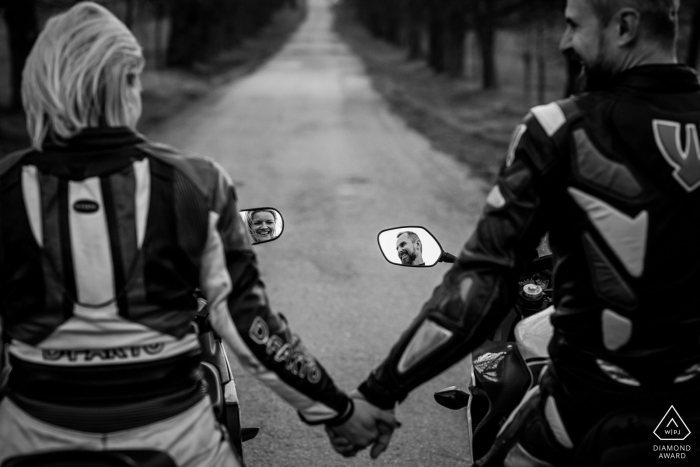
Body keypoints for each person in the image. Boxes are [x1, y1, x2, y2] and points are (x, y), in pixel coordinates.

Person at [0, 3, 397, 465]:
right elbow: (250, 324)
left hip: (32, 440)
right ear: (128, 83)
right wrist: (338, 411)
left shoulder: (4, 187)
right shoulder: (197, 183)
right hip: (173, 442)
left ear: (38, 87)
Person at [332, 0, 700, 464]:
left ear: (624, 26)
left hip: (584, 405)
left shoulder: (558, 130)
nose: (565, 43)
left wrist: (379, 392)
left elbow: (481, 285)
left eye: (573, 26)